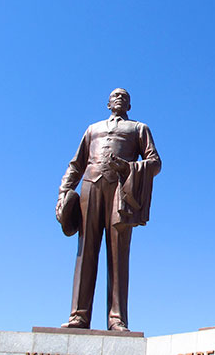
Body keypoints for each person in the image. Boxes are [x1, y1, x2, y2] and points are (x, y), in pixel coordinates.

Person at [56, 88, 161, 330]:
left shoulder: (139, 128)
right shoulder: (92, 129)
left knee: (118, 254)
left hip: (120, 193)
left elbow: (155, 162)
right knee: (86, 251)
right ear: (108, 103)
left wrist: (128, 167)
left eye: (125, 96)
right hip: (90, 187)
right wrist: (63, 192)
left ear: (130, 106)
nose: (120, 98)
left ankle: (117, 319)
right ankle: (78, 316)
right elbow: (76, 164)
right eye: (116, 95)